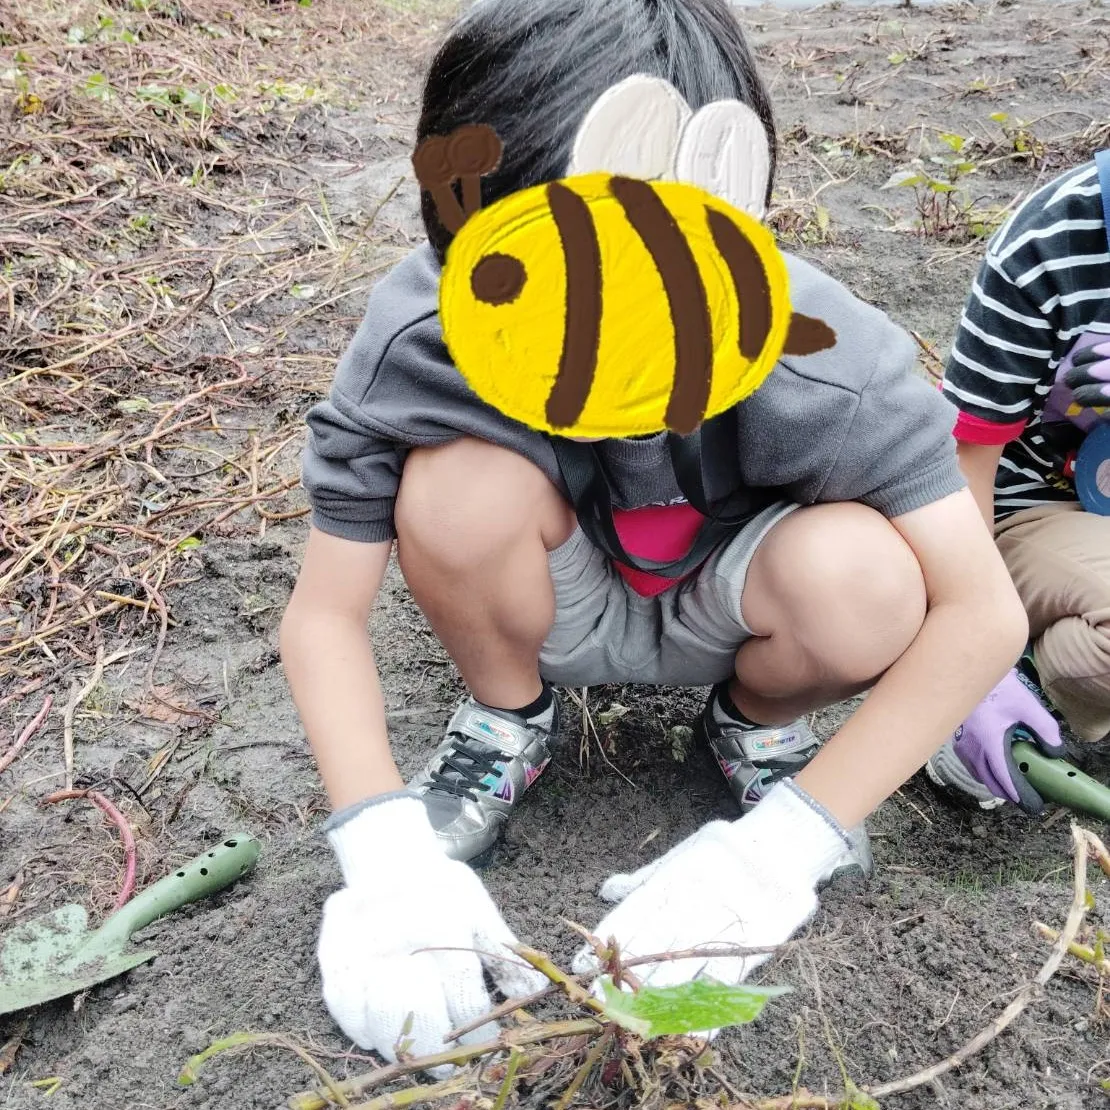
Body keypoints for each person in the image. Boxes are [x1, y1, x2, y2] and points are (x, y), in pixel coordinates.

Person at [278, 0, 1026, 1072]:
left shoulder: (823, 359)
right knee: (455, 490)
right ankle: (506, 719)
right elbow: (324, 612)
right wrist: (380, 852)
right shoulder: (423, 341)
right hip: (551, 600)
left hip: (741, 605)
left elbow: (981, 607)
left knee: (864, 574)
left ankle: (760, 726)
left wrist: (782, 853)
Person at [926, 154, 1110, 815]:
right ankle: (1024, 686)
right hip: (1034, 511)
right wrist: (975, 668)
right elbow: (967, 464)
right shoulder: (1053, 244)